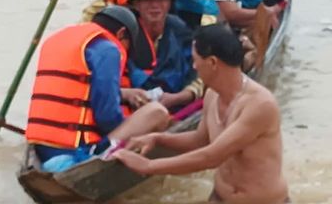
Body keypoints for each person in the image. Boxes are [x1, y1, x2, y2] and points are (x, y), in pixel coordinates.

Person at [113, 24, 289, 203]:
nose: (194, 67)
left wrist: (149, 166)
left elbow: (212, 157)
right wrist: (158, 138)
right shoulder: (212, 95)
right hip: (220, 198)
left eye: (196, 60)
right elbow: (200, 140)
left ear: (212, 62)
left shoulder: (259, 105)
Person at [26, 6, 170, 172]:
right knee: (157, 113)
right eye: (127, 45)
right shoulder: (108, 49)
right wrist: (133, 125)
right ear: (121, 34)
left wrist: (125, 94)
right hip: (75, 154)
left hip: (42, 149)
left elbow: (78, 90)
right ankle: (101, 153)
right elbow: (107, 116)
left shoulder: (59, 40)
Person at [124, 0, 201, 111]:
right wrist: (128, 95)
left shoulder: (180, 31)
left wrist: (181, 96)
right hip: (132, 107)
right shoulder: (125, 35)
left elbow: (200, 72)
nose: (154, 5)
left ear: (169, 3)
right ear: (136, 4)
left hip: (176, 104)